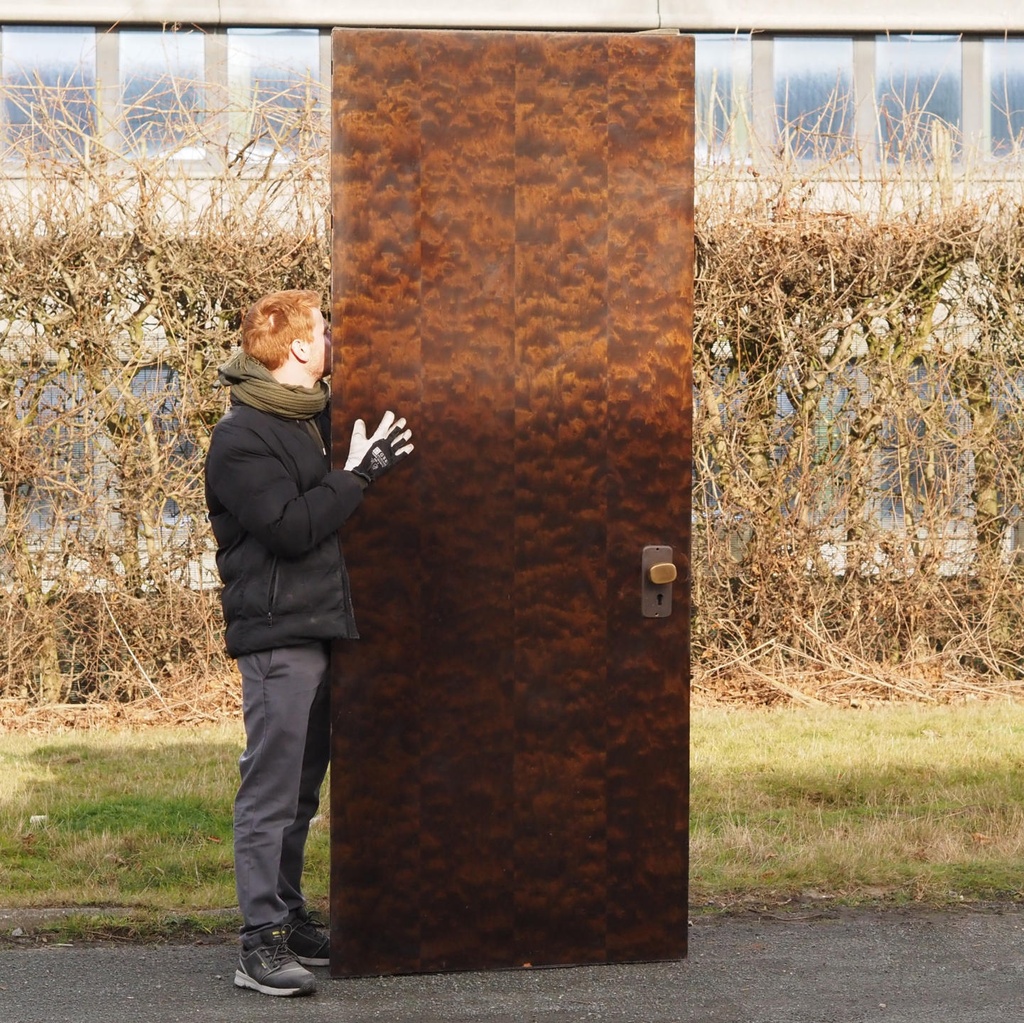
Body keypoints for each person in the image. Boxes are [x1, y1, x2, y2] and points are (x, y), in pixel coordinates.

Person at [204, 289, 413, 997]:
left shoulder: (305, 419)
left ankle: (287, 917)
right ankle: (256, 943)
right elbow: (291, 528)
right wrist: (358, 477)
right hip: (276, 634)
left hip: (318, 627)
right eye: (324, 331)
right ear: (296, 348)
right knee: (269, 791)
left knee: (299, 790)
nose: (333, 343)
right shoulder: (242, 437)